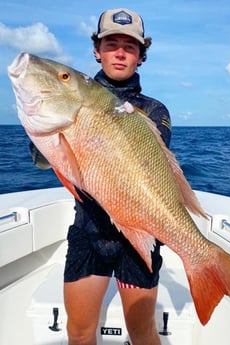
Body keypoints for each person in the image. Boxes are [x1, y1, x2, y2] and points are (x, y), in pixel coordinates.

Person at [31, 8, 171, 345]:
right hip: (89, 230)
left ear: (141, 56)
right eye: (111, 44)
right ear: (97, 50)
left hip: (137, 236)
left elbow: (149, 172)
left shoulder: (154, 111)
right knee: (79, 332)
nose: (120, 52)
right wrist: (48, 125)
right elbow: (41, 161)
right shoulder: (68, 99)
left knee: (142, 331)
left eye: (130, 46)